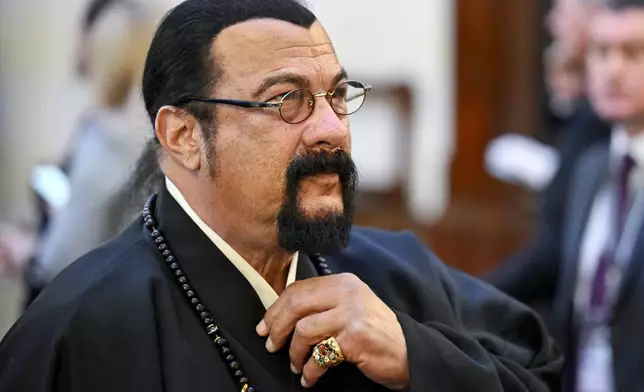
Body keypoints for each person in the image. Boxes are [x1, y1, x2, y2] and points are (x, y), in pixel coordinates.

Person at [0, 1, 562, 391]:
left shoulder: (399, 275)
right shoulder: (79, 330)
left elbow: (543, 373)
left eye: (338, 95)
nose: (332, 129)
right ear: (183, 136)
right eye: (287, 100)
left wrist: (417, 356)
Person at [489, 0, 644, 390]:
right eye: (602, 52)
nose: (613, 69)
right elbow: (557, 270)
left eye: (634, 52)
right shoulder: (591, 168)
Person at [24, 0, 166, 302]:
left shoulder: (109, 139)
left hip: (92, 308)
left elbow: (65, 257)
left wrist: (30, 253)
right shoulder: (167, 135)